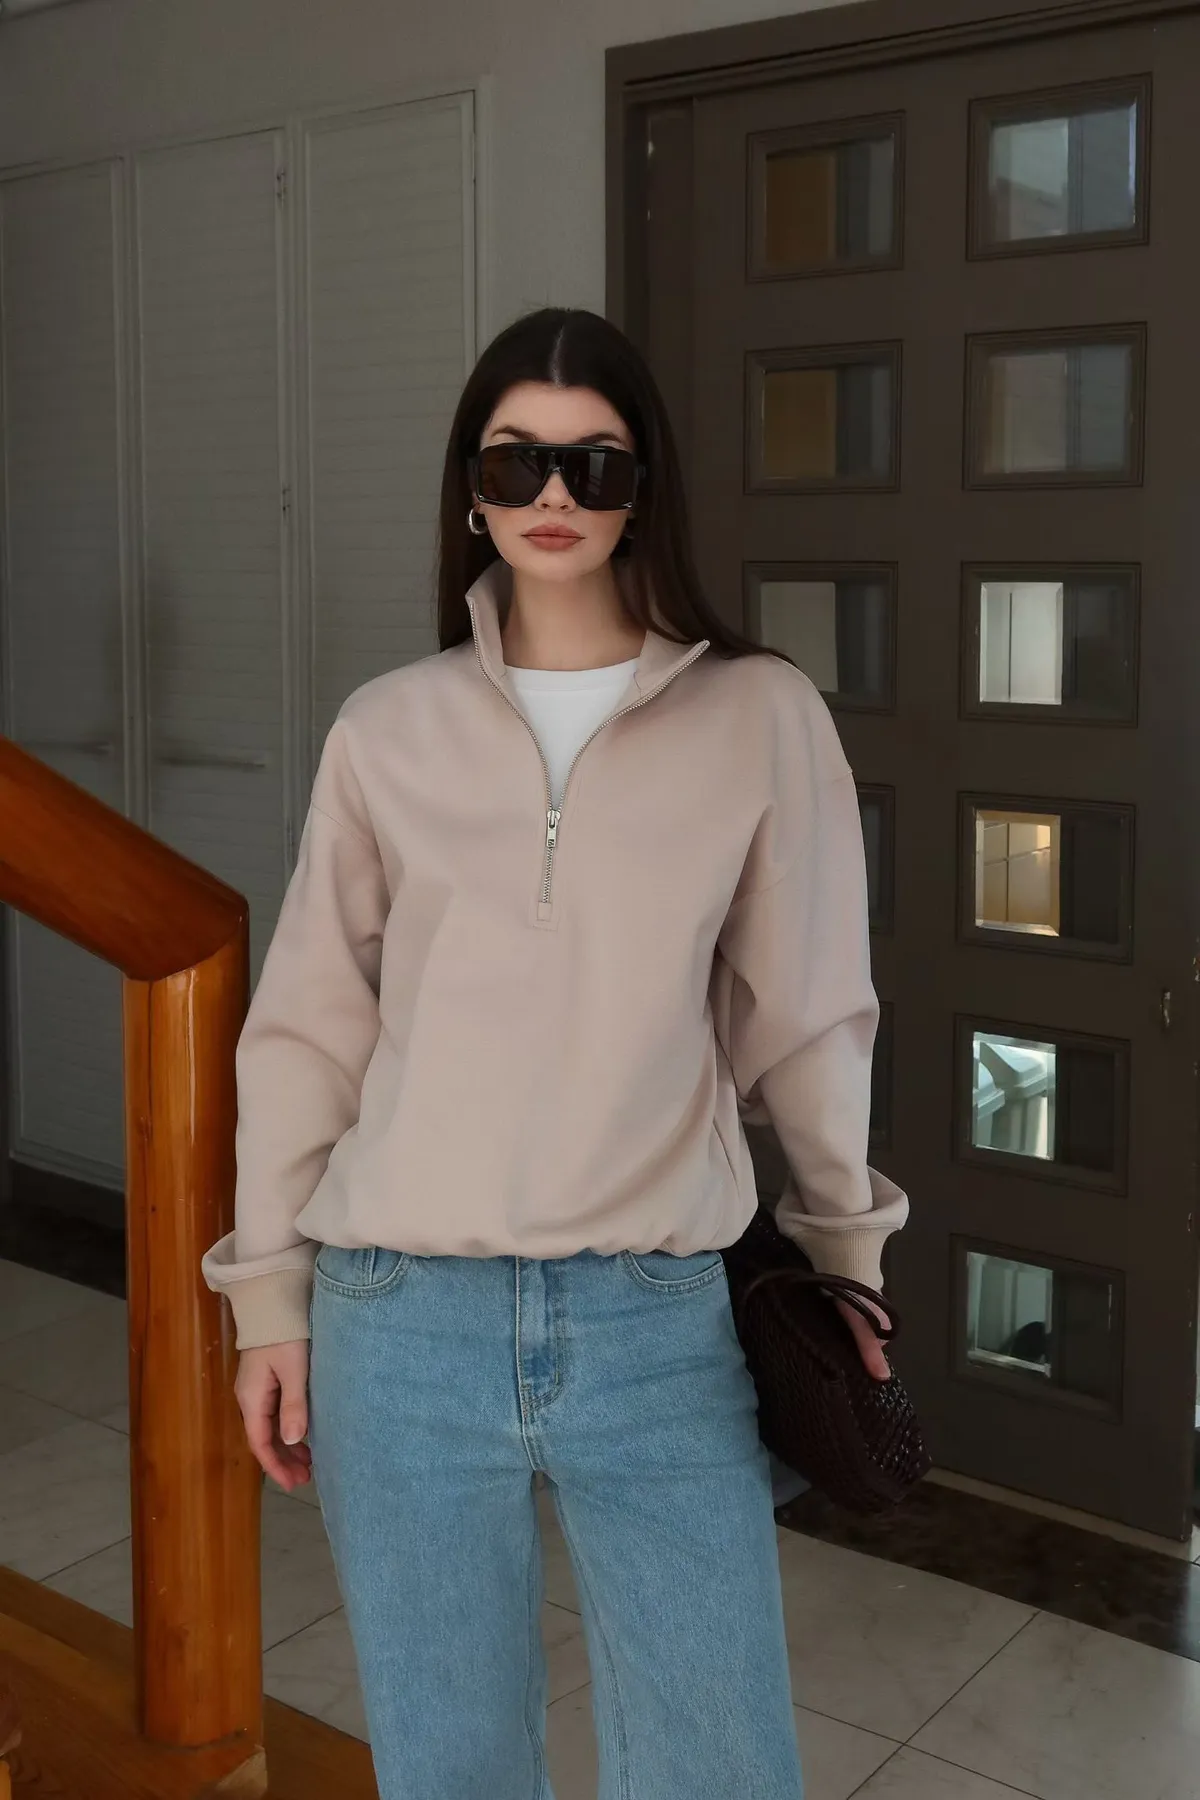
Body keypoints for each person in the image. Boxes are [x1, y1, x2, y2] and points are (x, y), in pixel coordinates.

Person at [201, 305, 908, 1800]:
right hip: (398, 1316)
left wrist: (848, 1252)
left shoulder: (759, 713)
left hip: (655, 1317)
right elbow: (310, 1026)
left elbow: (812, 1014)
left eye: (596, 463)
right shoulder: (386, 730)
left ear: (644, 489)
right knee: (450, 1767)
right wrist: (268, 1299)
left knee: (721, 1766)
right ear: (471, 487)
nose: (554, 496)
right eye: (516, 460)